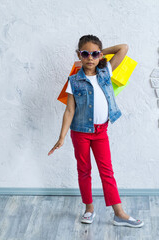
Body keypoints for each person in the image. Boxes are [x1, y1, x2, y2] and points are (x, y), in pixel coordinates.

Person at [48, 34, 144, 228]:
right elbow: (69, 110)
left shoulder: (105, 72)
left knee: (107, 171)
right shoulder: (73, 81)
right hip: (80, 132)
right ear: (79, 55)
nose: (90, 58)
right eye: (85, 54)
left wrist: (101, 53)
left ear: (99, 55)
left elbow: (124, 47)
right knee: (84, 171)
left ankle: (119, 214)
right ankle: (89, 209)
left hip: (101, 132)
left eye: (94, 54)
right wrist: (62, 136)